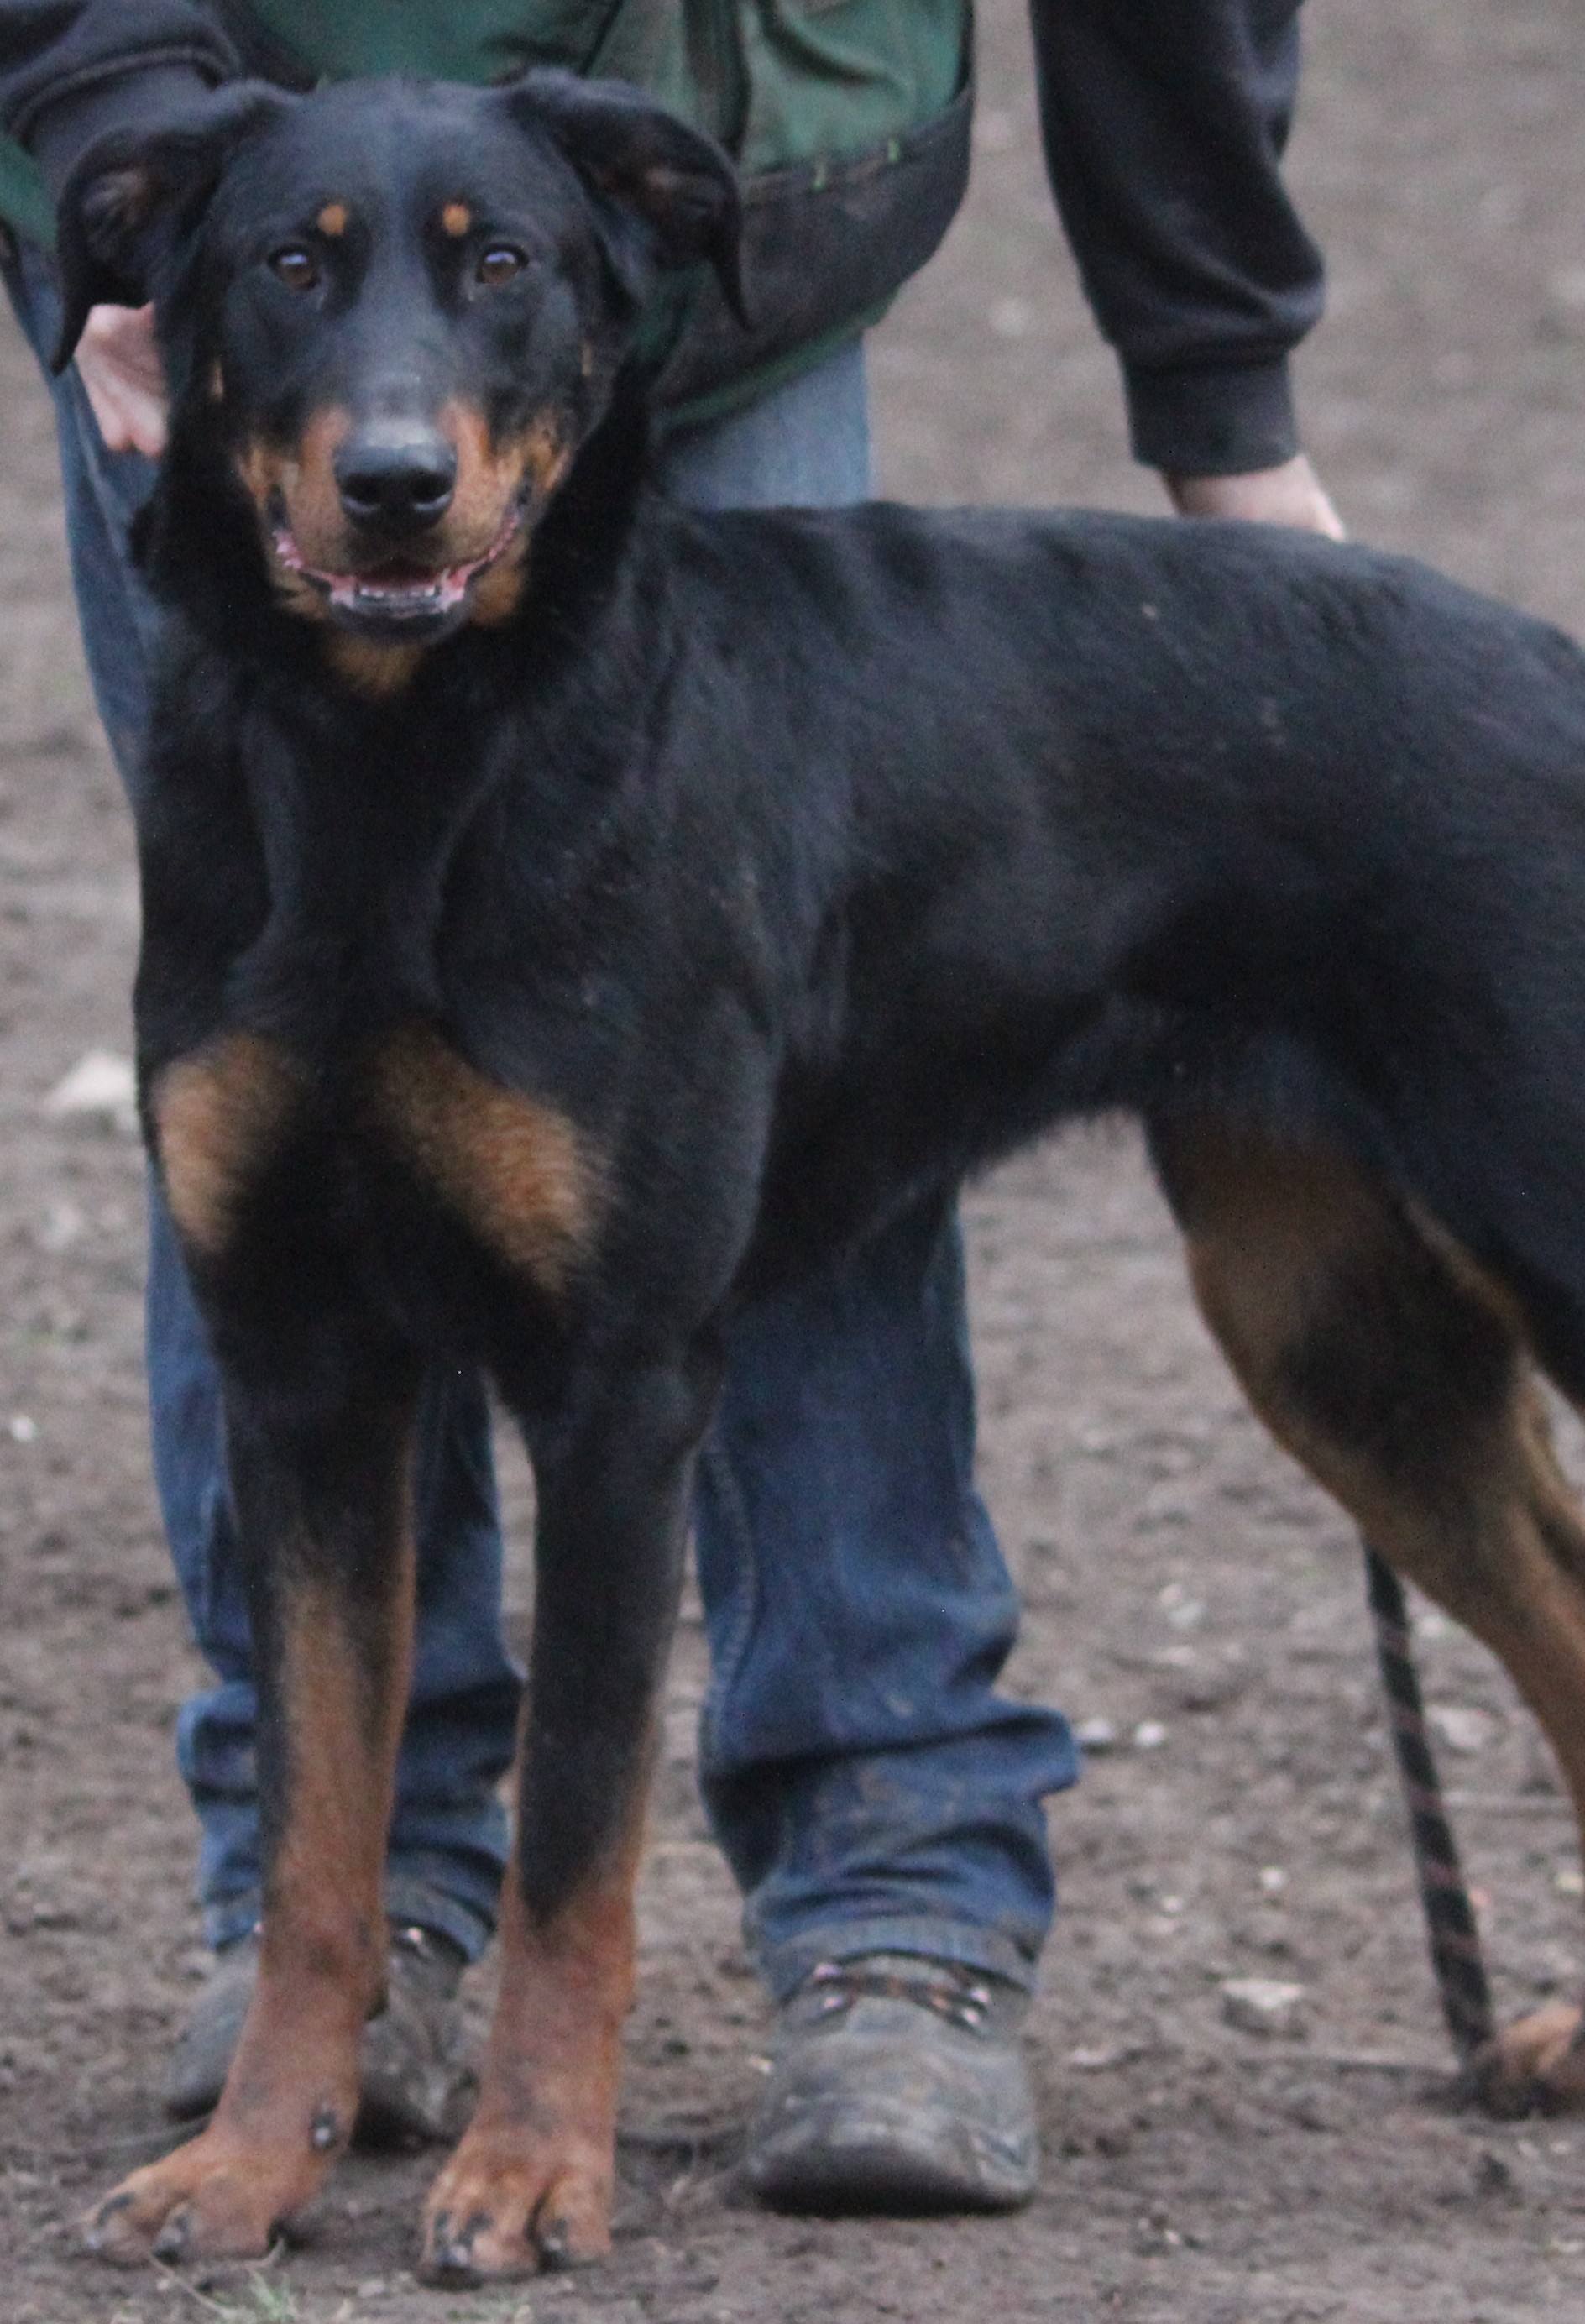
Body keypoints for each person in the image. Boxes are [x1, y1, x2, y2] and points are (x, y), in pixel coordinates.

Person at [0, 0, 1341, 2217]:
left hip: (733, 184)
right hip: (198, 159)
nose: (410, 435)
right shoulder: (211, 277)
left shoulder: (648, 249)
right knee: (287, 1302)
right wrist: (118, 147)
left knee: (796, 1130)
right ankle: (321, 1963)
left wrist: (1218, 384)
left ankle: (879, 1901)